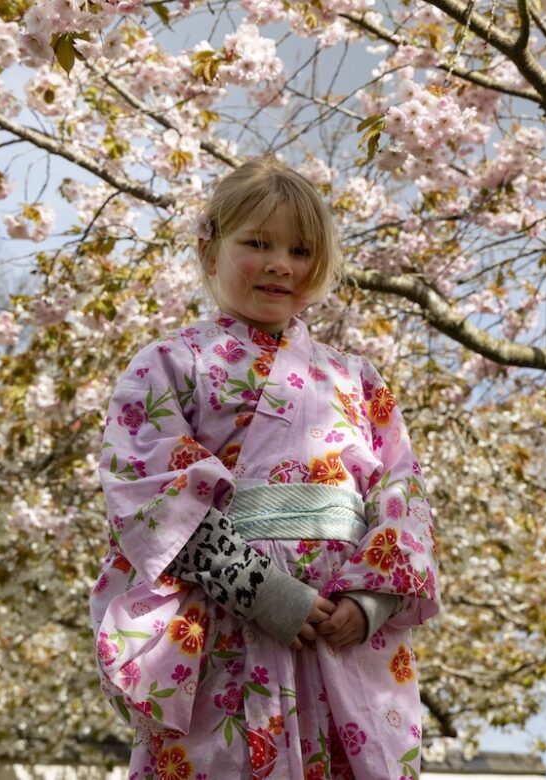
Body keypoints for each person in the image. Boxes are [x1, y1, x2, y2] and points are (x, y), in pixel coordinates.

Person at [90, 156, 439, 780]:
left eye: (301, 251)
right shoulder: (170, 363)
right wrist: (257, 588)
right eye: (257, 243)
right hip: (227, 617)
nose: (281, 264)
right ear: (209, 249)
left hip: (340, 629)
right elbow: (147, 488)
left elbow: (400, 494)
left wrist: (372, 599)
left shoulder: (357, 378)